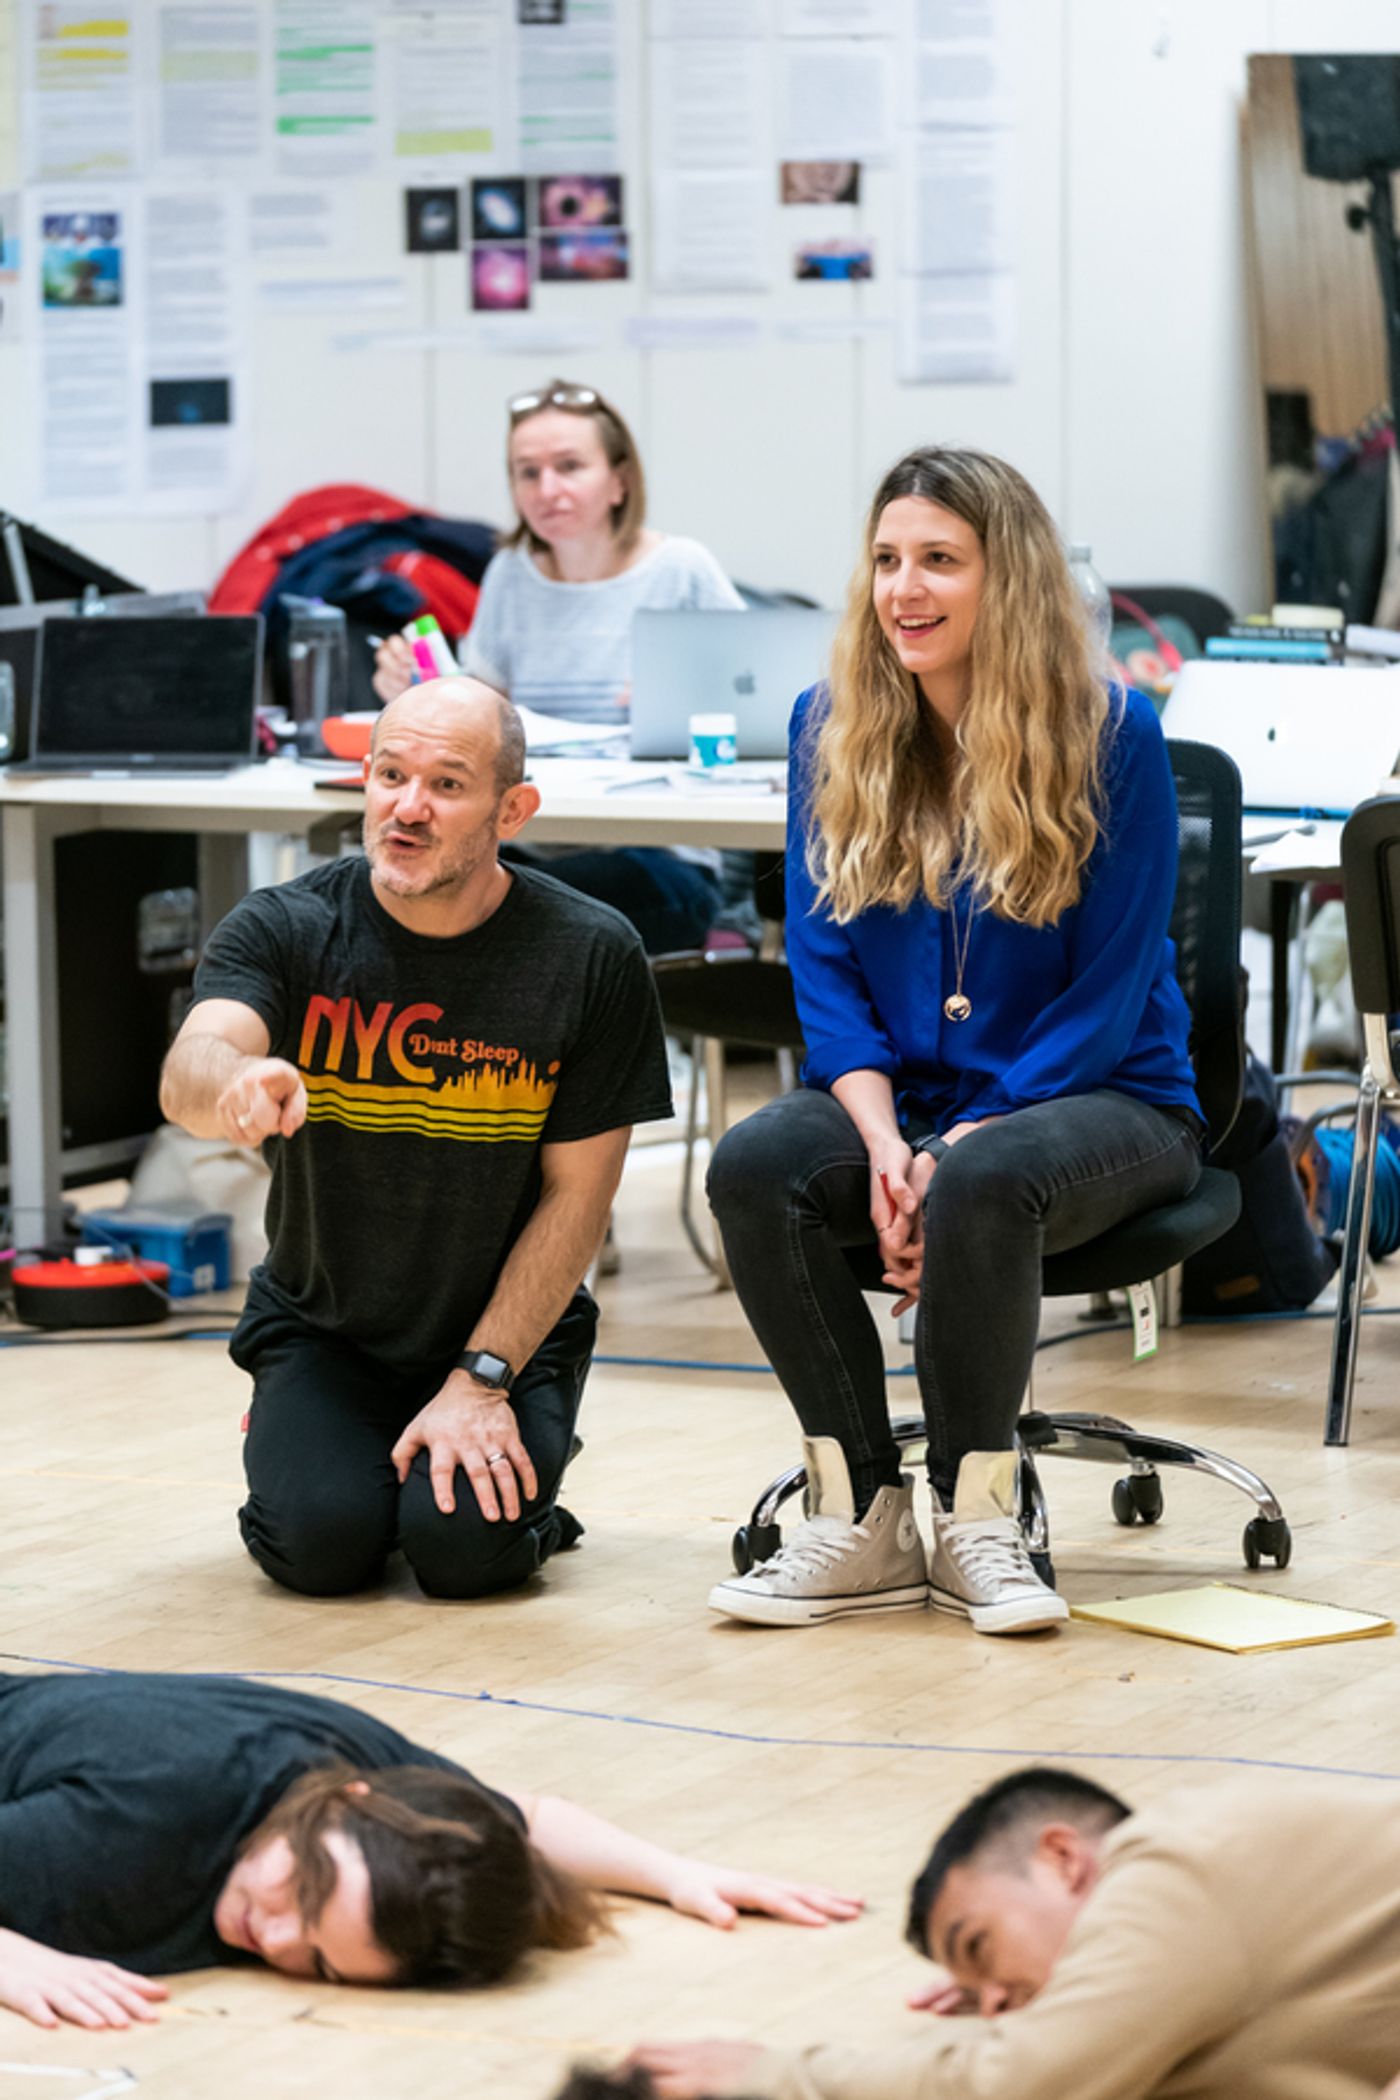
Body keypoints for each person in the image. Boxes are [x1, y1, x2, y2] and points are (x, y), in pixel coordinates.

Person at [706, 446, 1204, 1636]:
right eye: (885, 560)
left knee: (982, 1172)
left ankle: (976, 1515)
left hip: (1109, 1098)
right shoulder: (827, 724)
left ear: (1009, 581)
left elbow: (1109, 986)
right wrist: (882, 1142)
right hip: (911, 1102)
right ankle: (860, 1511)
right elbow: (822, 968)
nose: (903, 589)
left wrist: (959, 1141)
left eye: (939, 560)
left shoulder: (1110, 732)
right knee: (757, 1163)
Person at [159, 677, 674, 1600]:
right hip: (326, 1328)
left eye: (446, 784)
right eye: (391, 775)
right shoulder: (286, 926)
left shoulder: (590, 953)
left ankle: (529, 1489)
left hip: (505, 1339)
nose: (407, 807)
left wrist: (483, 1379)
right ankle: (312, 1451)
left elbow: (579, 1198)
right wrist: (235, 1082)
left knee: (463, 1558)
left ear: (511, 808)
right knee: (318, 1551)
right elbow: (191, 1067)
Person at [0, 1669, 863, 2032]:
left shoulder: (373, 1789)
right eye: (299, 1895)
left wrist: (678, 1874)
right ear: (341, 1807)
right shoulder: (116, 1839)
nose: (278, 1938)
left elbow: (514, 1818)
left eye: (325, 1966)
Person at [631, 1762, 1400, 2099]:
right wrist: (1013, 1986)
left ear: (1062, 1858)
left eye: (979, 1945)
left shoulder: (1174, 1871)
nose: (995, 2005)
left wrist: (777, 2072)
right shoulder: (1203, 1919)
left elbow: (1018, 2085)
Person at [373, 378, 747, 955]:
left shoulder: (681, 568)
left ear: (620, 480)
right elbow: (479, 720)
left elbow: (760, 704)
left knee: (487, 906)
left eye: (569, 466)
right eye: (528, 472)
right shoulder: (510, 574)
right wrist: (415, 695)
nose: (547, 489)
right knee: (397, 884)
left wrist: (688, 699)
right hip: (533, 841)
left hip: (659, 855)